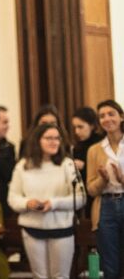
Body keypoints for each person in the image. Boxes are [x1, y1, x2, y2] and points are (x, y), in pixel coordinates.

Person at [8, 123, 84, 279]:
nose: (54, 142)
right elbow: (13, 198)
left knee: (61, 276)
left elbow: (81, 198)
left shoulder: (67, 164)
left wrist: (54, 203)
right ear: (37, 141)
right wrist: (27, 203)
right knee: (39, 276)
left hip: (62, 228)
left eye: (57, 138)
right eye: (49, 138)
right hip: (32, 227)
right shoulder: (23, 166)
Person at [85, 99, 124, 279]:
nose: (106, 119)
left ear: (121, 116)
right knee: (110, 264)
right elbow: (91, 190)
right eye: (102, 116)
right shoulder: (94, 150)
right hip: (105, 207)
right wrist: (103, 179)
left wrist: (122, 179)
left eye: (111, 114)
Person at [71, 106, 104, 185]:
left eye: (80, 127)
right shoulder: (77, 146)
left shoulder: (101, 143)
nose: (76, 131)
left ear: (92, 126)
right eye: (75, 127)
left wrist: (84, 166)